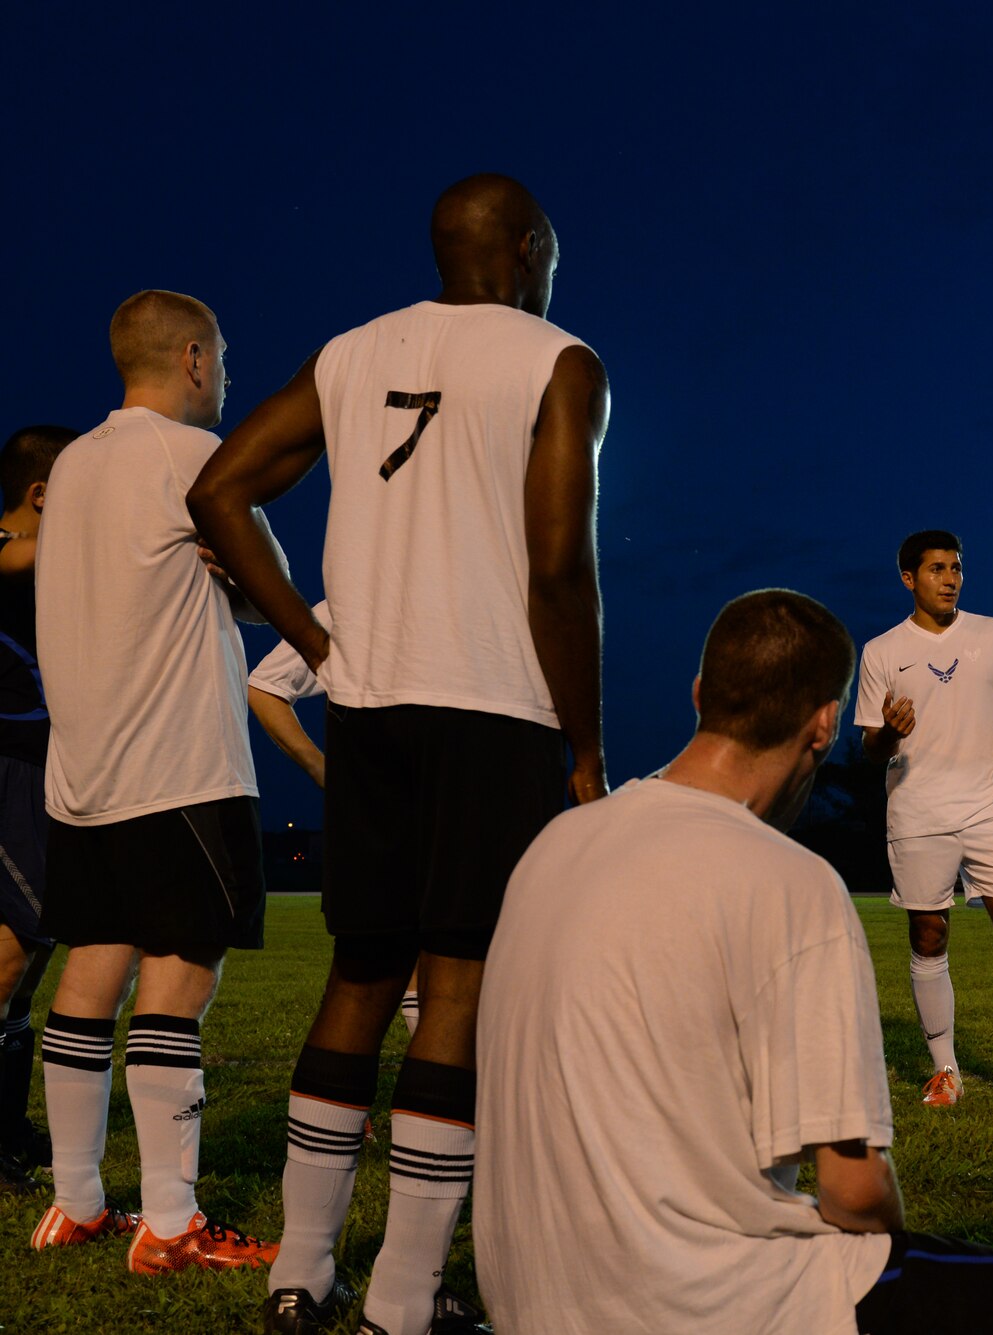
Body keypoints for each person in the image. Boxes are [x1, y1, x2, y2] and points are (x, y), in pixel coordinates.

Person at [474, 588, 993, 1334]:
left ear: (701, 695)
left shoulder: (551, 848)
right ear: (826, 723)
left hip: (524, 1304)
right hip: (698, 1302)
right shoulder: (789, 881)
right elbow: (854, 1196)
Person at [188, 173, 608, 1335]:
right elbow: (560, 563)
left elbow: (217, 488)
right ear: (525, 248)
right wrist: (586, 745)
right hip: (498, 711)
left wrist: (315, 640)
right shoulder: (559, 358)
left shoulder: (350, 352)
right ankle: (404, 1300)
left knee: (360, 980)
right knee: (458, 987)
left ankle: (299, 1276)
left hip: (372, 711)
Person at [30, 291, 281, 1270]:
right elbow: (268, 595)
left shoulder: (74, 466)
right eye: (222, 357)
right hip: (178, 764)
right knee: (179, 985)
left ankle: (78, 1202)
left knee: (90, 975)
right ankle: (171, 1225)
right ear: (190, 359)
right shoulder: (192, 460)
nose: (226, 376)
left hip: (85, 767)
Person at [855, 532, 993, 1112]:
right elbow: (872, 748)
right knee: (928, 935)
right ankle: (945, 1070)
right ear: (908, 579)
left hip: (989, 806)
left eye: (957, 569)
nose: (950, 579)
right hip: (918, 812)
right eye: (937, 569)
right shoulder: (881, 650)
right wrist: (891, 732)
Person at [246, 605, 420, 1036]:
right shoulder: (353, 599)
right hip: (386, 812)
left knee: (453, 961)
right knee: (371, 976)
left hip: (461, 800)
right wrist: (326, 772)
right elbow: (265, 686)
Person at [0, 424, 77, 1194]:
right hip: (6, 769)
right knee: (9, 953)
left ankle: (10, 1126)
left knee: (30, 962)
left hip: (41, 771)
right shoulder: (10, 545)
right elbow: (23, 553)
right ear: (42, 494)